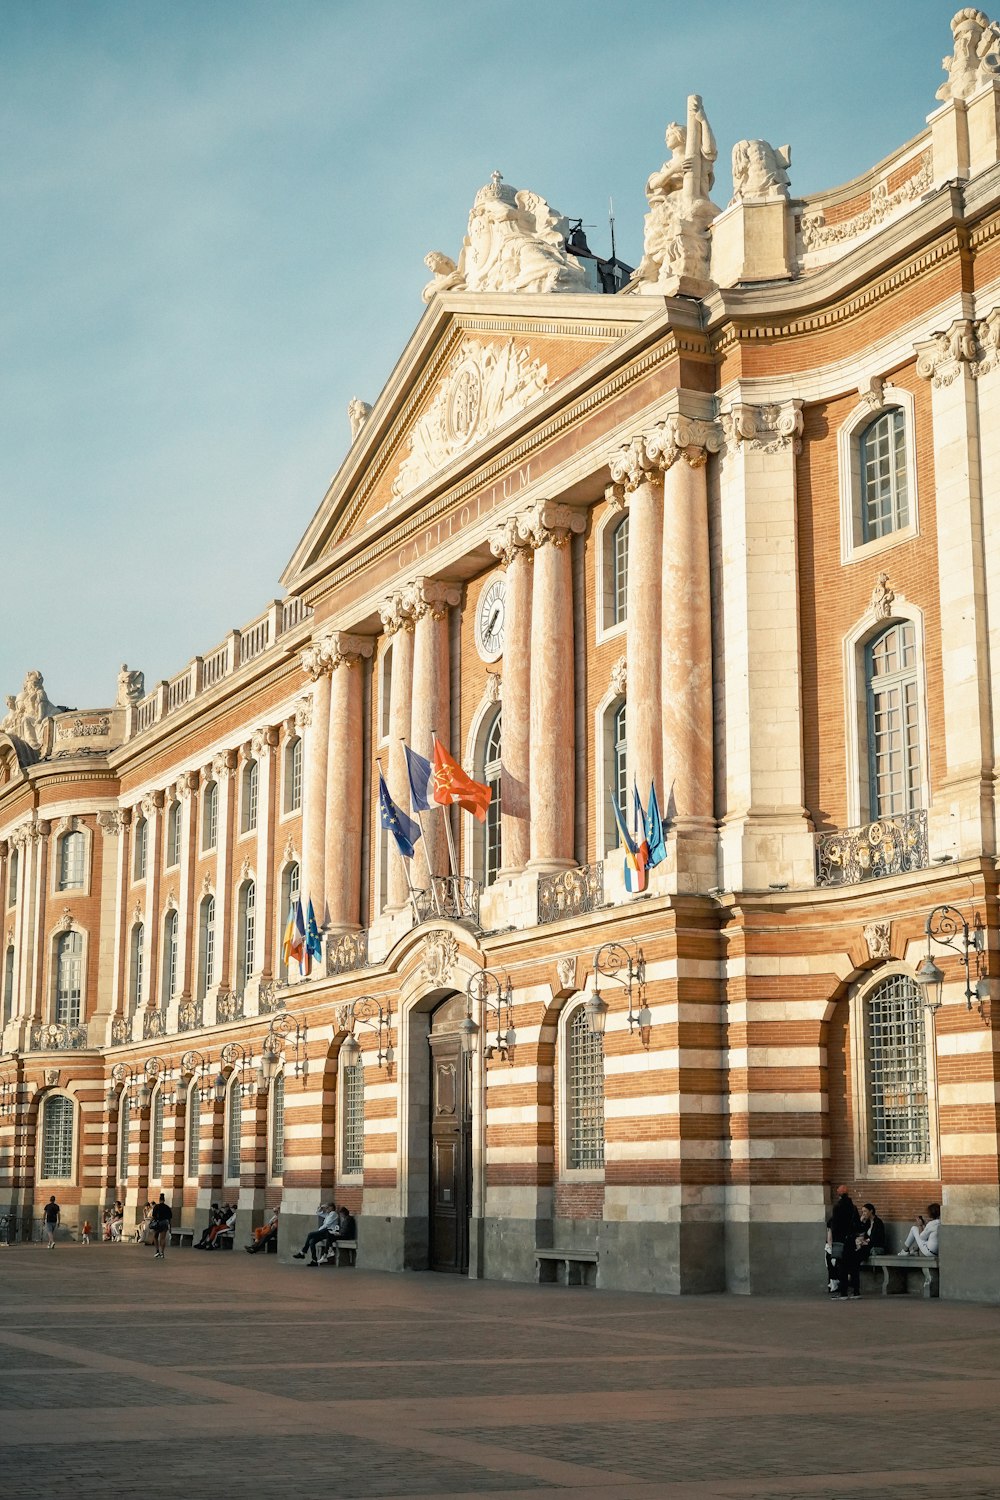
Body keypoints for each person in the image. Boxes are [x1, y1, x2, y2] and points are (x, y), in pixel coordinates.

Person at [844, 1202, 887, 1297]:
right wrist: (861, 1221)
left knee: (854, 1259)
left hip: (874, 1247)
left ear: (871, 1211)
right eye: (862, 1211)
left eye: (865, 1211)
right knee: (852, 1259)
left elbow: (876, 1238)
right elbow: (858, 1232)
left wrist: (866, 1242)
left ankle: (853, 1285)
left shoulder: (878, 1222)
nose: (863, 1213)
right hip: (866, 1246)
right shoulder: (866, 1222)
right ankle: (853, 1285)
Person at [826, 1184, 860, 1300]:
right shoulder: (853, 1207)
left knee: (842, 1266)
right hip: (851, 1239)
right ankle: (856, 1291)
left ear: (839, 1195)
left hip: (840, 1240)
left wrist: (834, 1239)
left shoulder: (837, 1207)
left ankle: (843, 1292)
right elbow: (857, 1224)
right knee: (853, 1265)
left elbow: (835, 1225)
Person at [150, 1193, 172, 1260]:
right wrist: (170, 1226)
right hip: (164, 1223)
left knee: (155, 1237)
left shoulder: (156, 1207)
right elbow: (170, 1218)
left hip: (157, 1223)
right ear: (164, 1200)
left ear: (159, 1200)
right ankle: (162, 1253)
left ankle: (157, 1251)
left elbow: (153, 1216)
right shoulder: (167, 1207)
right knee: (162, 1238)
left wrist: (150, 1222)